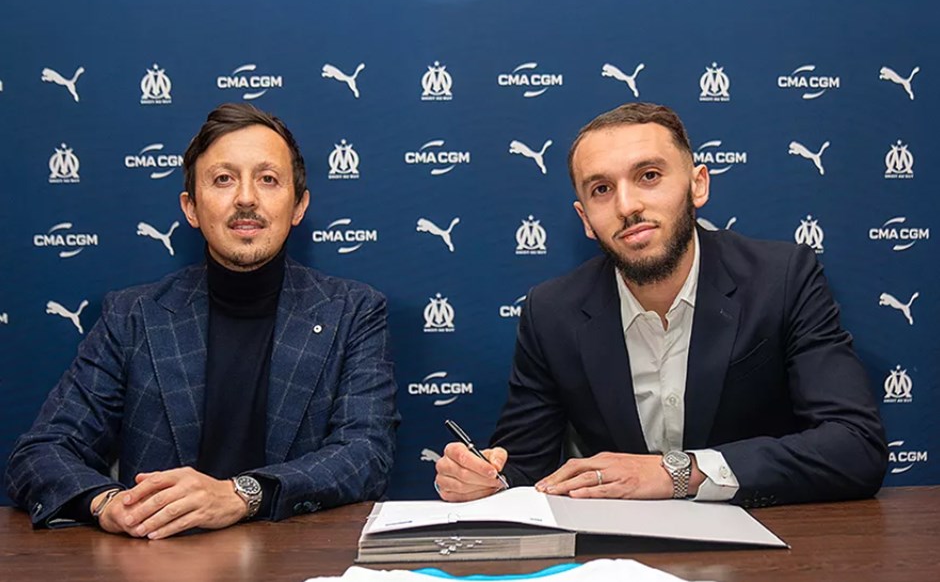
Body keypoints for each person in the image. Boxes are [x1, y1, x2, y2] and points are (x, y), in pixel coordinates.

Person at [435, 102, 886, 507]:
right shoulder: (551, 311)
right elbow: (521, 467)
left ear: (697, 185)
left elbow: (855, 446)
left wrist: (678, 473)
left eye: (649, 176)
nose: (627, 205)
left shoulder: (782, 279)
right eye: (601, 189)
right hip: (619, 552)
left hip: (765, 541)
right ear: (585, 219)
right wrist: (485, 480)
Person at [6, 103, 399, 538]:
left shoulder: (353, 311)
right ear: (191, 207)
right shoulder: (132, 316)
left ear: (298, 206)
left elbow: (365, 455)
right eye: (223, 179)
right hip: (161, 557)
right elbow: (41, 452)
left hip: (298, 559)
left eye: (268, 179)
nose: (246, 198)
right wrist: (107, 503)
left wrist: (240, 494)